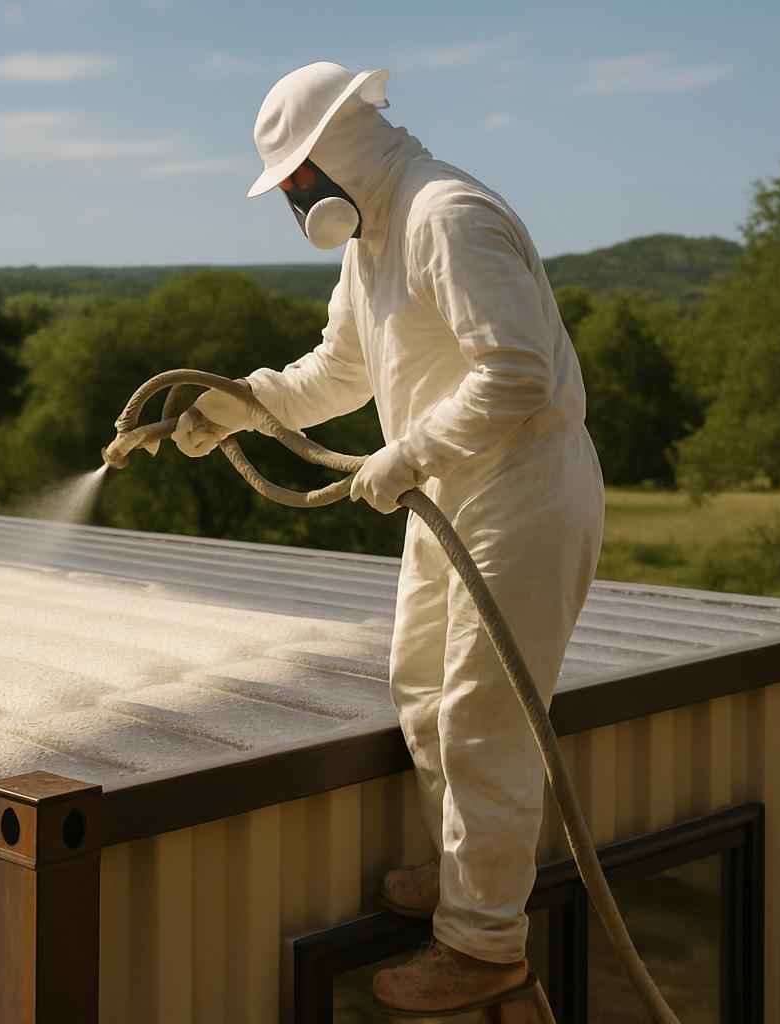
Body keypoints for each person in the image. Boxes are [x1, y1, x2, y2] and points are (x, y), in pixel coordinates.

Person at [173, 61, 605, 1016]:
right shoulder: (374, 239)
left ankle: (482, 942)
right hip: (455, 491)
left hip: (524, 490)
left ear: (336, 150)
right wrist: (241, 404)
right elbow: (340, 371)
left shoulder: (446, 216)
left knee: (486, 716)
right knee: (422, 690)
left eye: (297, 178)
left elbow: (518, 374)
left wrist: (408, 453)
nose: (297, 200)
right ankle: (464, 874)